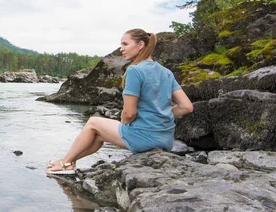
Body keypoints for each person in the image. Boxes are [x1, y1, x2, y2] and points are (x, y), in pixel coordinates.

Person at [46, 28, 194, 175]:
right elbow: (186, 107)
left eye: (125, 44)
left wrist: (124, 123)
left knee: (93, 123)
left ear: (140, 45)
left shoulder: (134, 70)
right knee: (98, 135)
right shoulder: (166, 72)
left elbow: (129, 114)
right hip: (166, 140)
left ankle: (64, 163)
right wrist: (161, 114)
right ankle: (68, 161)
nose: (121, 49)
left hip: (145, 138)